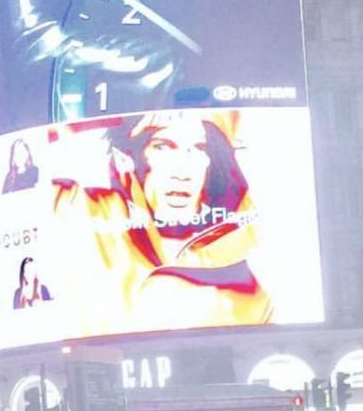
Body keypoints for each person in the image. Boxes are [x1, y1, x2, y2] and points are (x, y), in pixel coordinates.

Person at [52, 111, 273, 332]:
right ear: (125, 158)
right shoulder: (85, 209)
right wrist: (123, 114)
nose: (183, 172)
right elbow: (28, 150)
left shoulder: (244, 244)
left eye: (198, 148)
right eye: (163, 147)